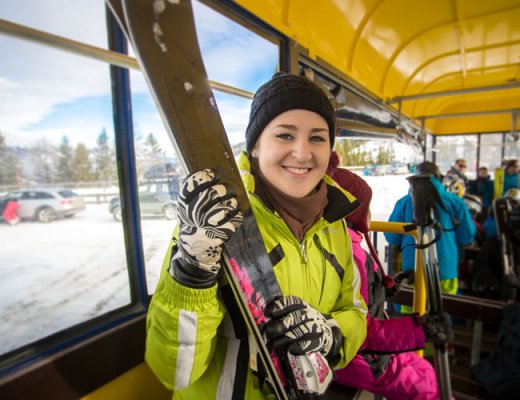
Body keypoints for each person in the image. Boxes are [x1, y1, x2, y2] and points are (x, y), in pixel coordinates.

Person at [145, 72, 368, 399]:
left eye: (317, 138)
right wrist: (193, 272)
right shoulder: (215, 221)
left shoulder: (335, 224)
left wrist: (330, 334)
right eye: (284, 135)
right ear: (255, 145)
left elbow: (355, 312)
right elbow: (174, 371)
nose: (303, 153)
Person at [327, 154, 451, 399]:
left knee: (424, 369)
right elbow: (359, 330)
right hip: (357, 358)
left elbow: (359, 296)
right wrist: (419, 329)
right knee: (425, 386)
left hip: (364, 348)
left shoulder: (349, 246)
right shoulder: (347, 255)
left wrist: (384, 287)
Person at [385, 161, 476, 304]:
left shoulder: (404, 202)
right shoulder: (454, 201)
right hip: (445, 269)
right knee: (443, 310)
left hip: (412, 271)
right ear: (438, 177)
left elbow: (392, 236)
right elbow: (466, 236)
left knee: (412, 315)